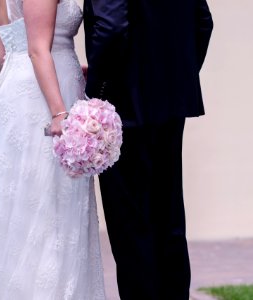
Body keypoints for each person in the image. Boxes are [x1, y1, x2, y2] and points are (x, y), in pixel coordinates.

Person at [84, 0, 213, 299]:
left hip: (123, 106)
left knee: (131, 226)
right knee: (168, 219)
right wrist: (177, 78)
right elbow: (203, 21)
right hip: (171, 103)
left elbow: (111, 26)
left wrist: (98, 92)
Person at [0, 0, 106, 299]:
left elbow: (1, 55)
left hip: (18, 89)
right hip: (46, 97)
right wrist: (60, 113)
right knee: (49, 204)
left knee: (24, 202)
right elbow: (39, 49)